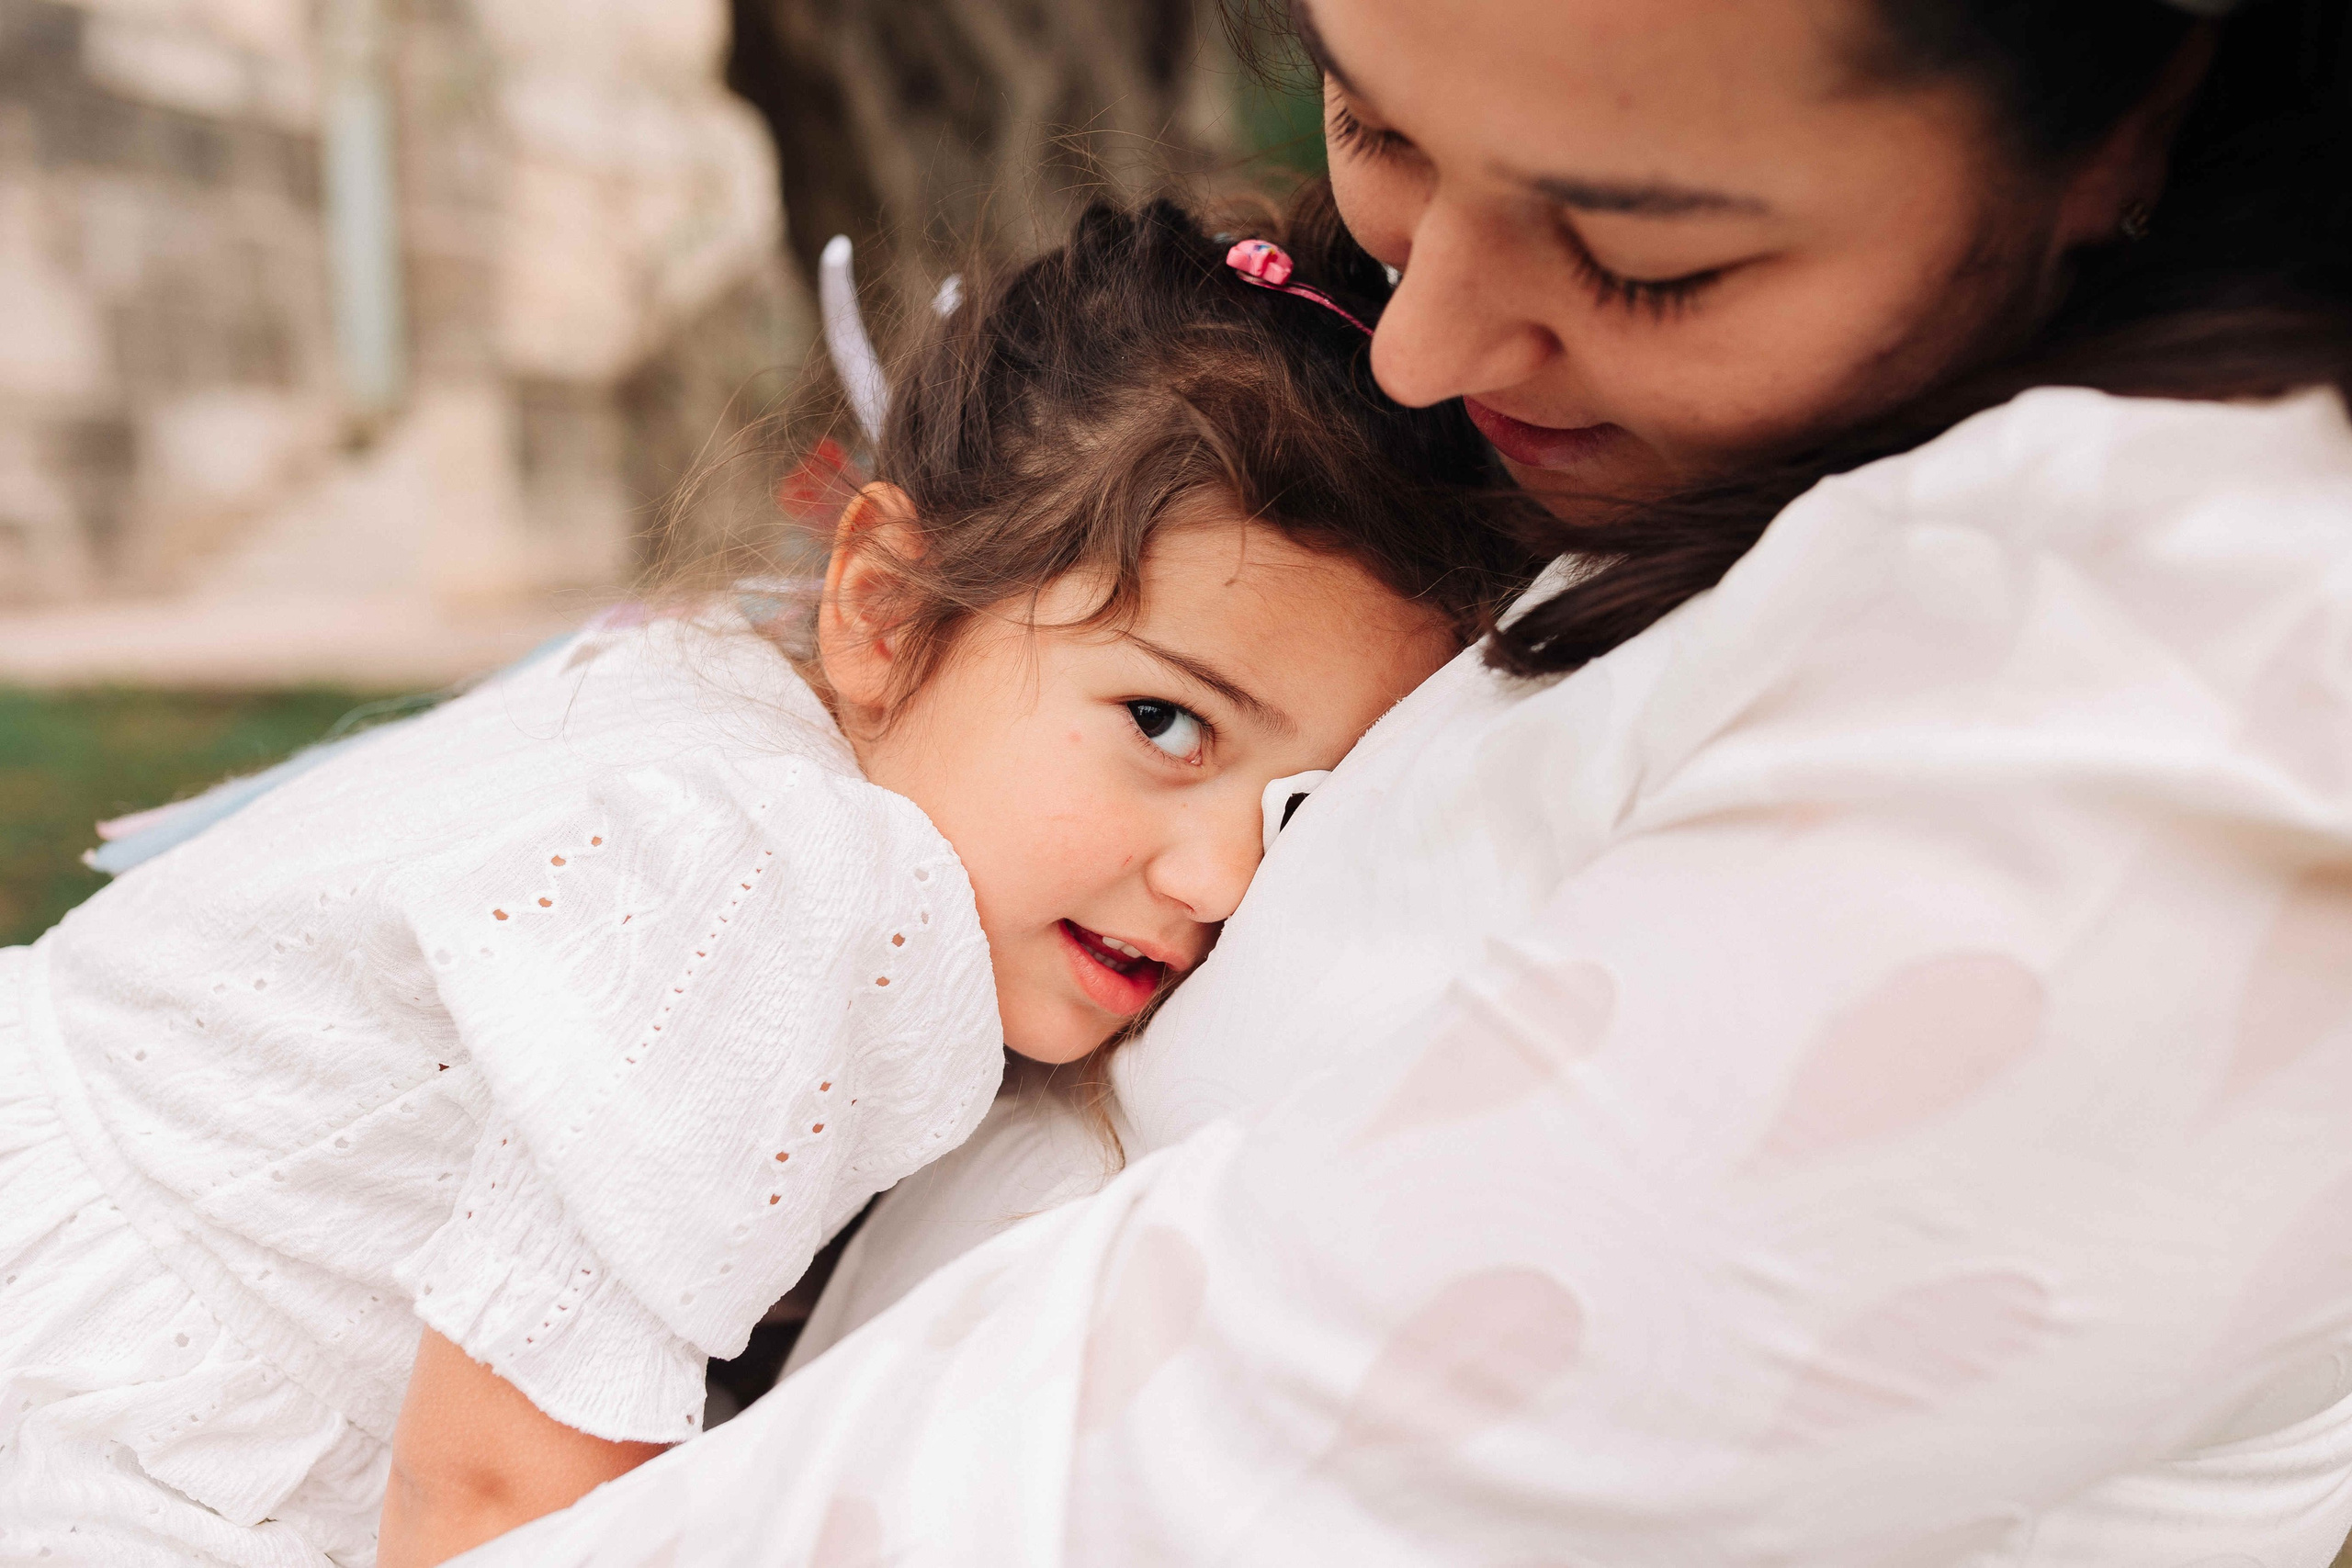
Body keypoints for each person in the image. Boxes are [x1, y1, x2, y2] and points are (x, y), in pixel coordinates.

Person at [455, 0, 2352, 1564]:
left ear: (2129, 126)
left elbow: (1218, 1482)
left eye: (1642, 260)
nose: (1427, 341)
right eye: (1377, 130)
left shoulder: (2156, 718)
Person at [0, 197, 1537, 1566]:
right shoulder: (796, 900)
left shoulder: (718, 708)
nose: (1221, 874)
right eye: (1162, 722)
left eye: (1304, 809)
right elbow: (494, 1512)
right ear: (880, 610)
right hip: (106, 1419)